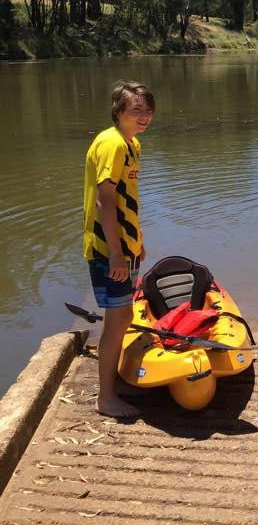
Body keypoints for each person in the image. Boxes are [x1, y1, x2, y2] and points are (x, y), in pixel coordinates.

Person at [83, 81, 155, 418]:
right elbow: (105, 198)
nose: (144, 116)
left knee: (123, 315)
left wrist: (135, 241)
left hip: (124, 247)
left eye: (147, 109)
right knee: (116, 320)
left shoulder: (131, 143)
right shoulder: (112, 143)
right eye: (136, 109)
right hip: (109, 249)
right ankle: (106, 398)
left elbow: (127, 200)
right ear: (118, 111)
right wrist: (115, 253)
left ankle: (114, 380)